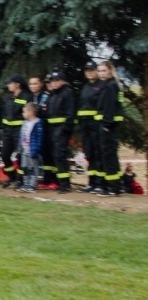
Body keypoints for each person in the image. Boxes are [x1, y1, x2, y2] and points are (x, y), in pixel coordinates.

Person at [96, 60, 124, 197]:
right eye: (99, 71)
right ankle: (115, 185)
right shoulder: (111, 85)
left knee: (108, 156)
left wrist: (106, 124)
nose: (101, 73)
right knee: (110, 155)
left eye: (104, 70)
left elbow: (110, 107)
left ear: (110, 71)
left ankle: (112, 187)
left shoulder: (110, 86)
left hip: (108, 126)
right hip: (111, 125)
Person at [75, 61, 104, 193]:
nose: (89, 72)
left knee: (98, 153)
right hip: (85, 125)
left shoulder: (101, 86)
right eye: (87, 70)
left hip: (95, 124)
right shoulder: (85, 87)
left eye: (91, 70)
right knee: (89, 154)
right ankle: (91, 182)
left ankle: (100, 183)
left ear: (96, 71)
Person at [44, 71, 75, 193]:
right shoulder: (52, 94)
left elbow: (70, 114)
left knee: (60, 156)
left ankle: (65, 184)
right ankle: (59, 181)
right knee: (55, 156)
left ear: (63, 81)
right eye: (52, 81)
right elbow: (47, 112)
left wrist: (64, 130)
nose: (54, 83)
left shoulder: (67, 93)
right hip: (52, 129)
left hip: (61, 130)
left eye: (56, 80)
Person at [0, 74, 32, 188]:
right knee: (4, 155)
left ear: (17, 85)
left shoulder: (27, 96)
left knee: (19, 156)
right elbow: (4, 113)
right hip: (8, 131)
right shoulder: (9, 97)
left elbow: (29, 114)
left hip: (20, 131)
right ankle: (11, 177)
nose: (8, 85)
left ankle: (21, 180)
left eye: (10, 83)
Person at [16, 102, 44, 193]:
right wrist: (19, 149)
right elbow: (21, 136)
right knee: (24, 167)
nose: (23, 114)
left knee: (33, 167)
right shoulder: (25, 123)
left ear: (31, 112)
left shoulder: (38, 123)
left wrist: (36, 149)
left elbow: (39, 137)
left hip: (32, 150)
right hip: (24, 149)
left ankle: (32, 184)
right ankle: (26, 183)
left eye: (24, 112)